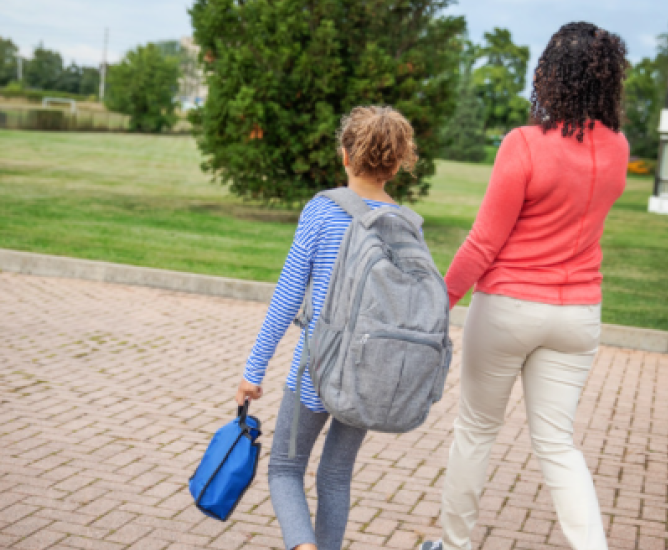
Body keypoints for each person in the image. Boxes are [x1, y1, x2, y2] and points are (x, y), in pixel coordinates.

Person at [420, 22, 629, 550]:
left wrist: (440, 299)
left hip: (509, 307)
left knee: (476, 431)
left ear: (551, 76)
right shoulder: (619, 149)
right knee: (559, 444)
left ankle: (454, 544)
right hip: (578, 314)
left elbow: (483, 242)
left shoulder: (524, 144)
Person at [235, 105, 418, 550]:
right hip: (370, 376)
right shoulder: (408, 225)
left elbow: (286, 298)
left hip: (314, 369)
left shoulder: (322, 211)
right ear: (396, 164)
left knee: (284, 471)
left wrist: (253, 370)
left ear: (345, 156)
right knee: (335, 478)